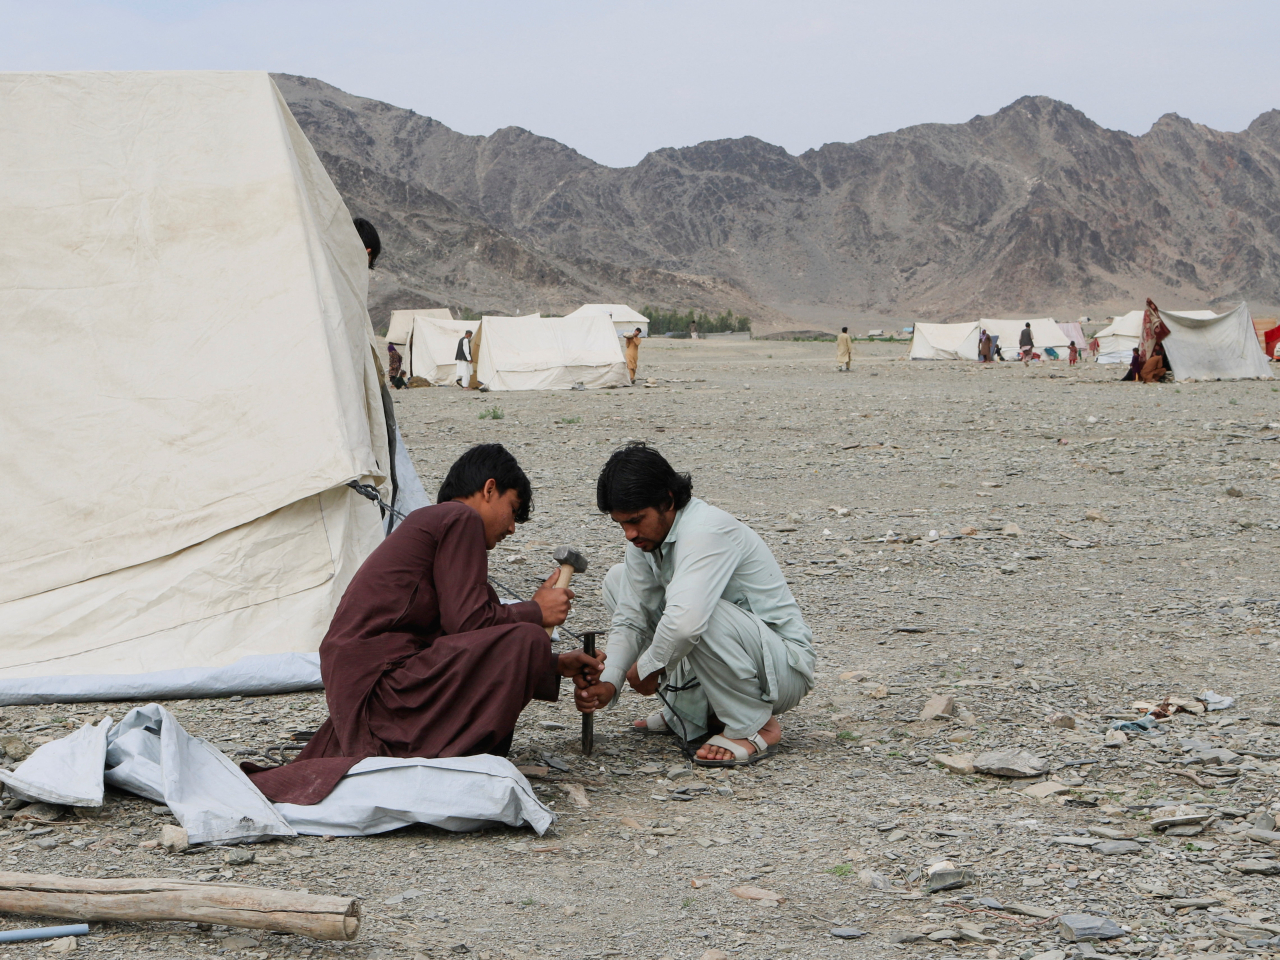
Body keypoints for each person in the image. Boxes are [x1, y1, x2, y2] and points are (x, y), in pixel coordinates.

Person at [246, 444, 604, 805]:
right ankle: (442, 763)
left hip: (364, 689)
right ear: (489, 489)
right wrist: (536, 613)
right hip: (380, 687)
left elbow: (474, 641)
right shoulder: (459, 518)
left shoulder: (437, 524)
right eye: (512, 510)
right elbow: (470, 623)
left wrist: (555, 664)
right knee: (527, 638)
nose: (511, 528)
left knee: (524, 639)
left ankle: (438, 755)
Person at [575, 444, 814, 766]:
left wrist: (648, 668)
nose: (630, 534)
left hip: (781, 671)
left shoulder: (706, 529)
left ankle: (754, 725)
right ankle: (692, 711)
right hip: (734, 658)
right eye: (622, 524)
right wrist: (610, 679)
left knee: (694, 614)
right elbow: (631, 618)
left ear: (668, 501)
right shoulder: (645, 540)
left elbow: (685, 624)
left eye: (637, 520)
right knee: (618, 580)